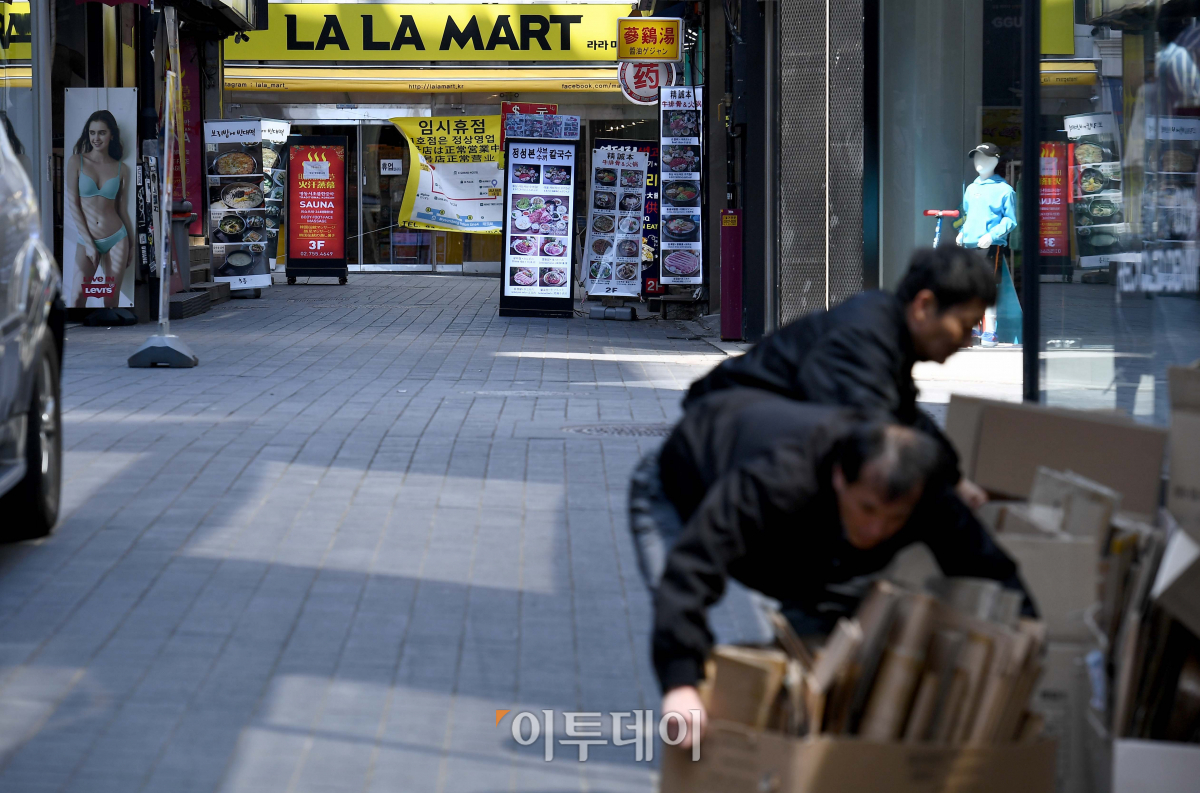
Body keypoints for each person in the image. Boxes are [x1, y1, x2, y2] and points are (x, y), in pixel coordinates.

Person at [647, 390, 1034, 749]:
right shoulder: (779, 475)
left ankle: (801, 739)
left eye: (894, 518)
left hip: (802, 534)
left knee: (826, 627)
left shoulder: (928, 495)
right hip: (686, 484)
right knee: (677, 618)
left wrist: (1031, 630)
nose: (876, 529)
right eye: (867, 509)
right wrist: (680, 683)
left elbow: (986, 563)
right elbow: (692, 566)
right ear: (839, 477)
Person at [684, 245, 996, 508]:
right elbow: (872, 436)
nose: (965, 341)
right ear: (924, 306)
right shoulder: (863, 339)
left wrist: (954, 478)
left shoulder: (887, 332)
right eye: (965, 326)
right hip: (707, 469)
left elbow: (904, 414)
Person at [65, 110, 133, 309]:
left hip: (117, 238)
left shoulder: (122, 168)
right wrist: (89, 243)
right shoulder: (76, 161)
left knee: (110, 300)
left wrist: (132, 245)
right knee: (77, 298)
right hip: (86, 238)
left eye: (102, 133)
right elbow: (73, 205)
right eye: (92, 132)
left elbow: (122, 210)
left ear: (112, 135)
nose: (96, 138)